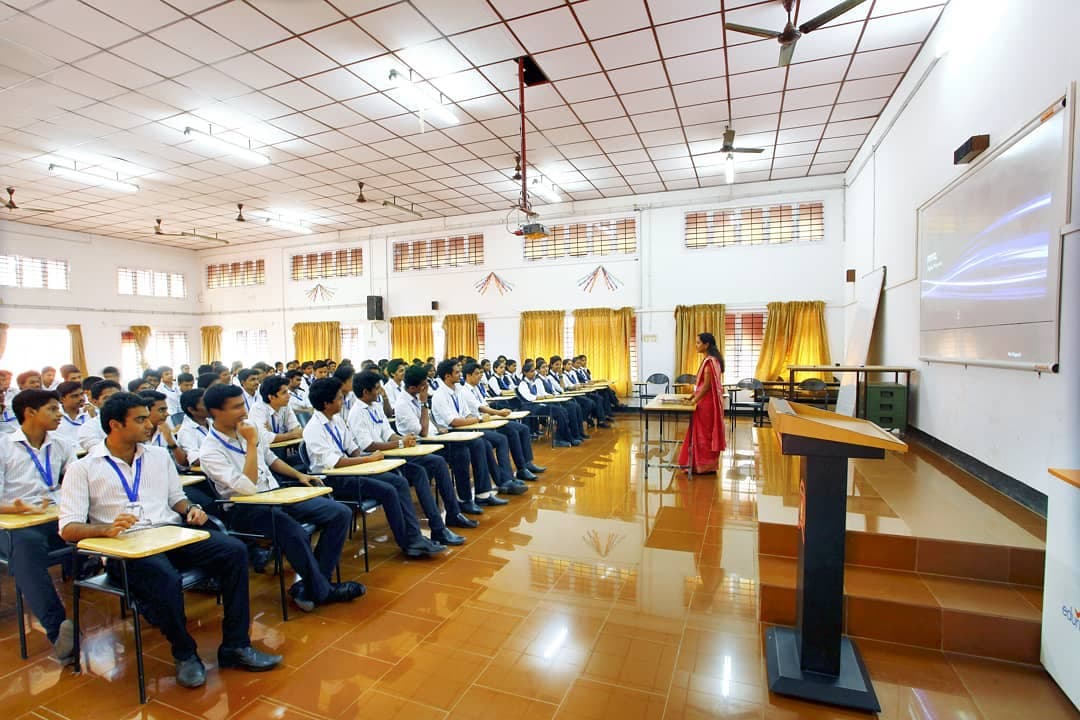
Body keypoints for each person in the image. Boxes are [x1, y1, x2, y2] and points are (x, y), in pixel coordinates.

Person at [59, 392, 282, 687]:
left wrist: (191, 509)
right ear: (115, 425)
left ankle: (236, 645)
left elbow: (176, 499)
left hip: (170, 534)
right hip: (127, 549)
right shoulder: (83, 468)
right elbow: (69, 528)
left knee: (234, 551)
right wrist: (104, 529)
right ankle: (185, 652)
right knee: (163, 577)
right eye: (140, 420)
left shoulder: (157, 456)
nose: (150, 424)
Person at [199, 383, 362, 612]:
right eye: (236, 407)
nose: (243, 412)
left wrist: (299, 474)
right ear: (216, 412)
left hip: (277, 494)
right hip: (245, 509)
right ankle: (323, 590)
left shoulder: (248, 428)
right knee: (292, 530)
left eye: (242, 405)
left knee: (339, 513)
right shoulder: (210, 450)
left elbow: (271, 459)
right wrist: (251, 444)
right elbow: (246, 488)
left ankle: (312, 586)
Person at [303, 377, 446, 557]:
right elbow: (336, 463)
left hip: (353, 471)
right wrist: (367, 460)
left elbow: (353, 449)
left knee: (399, 482)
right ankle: (408, 543)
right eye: (339, 398)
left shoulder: (337, 420)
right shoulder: (314, 428)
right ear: (326, 403)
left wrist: (368, 460)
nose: (343, 401)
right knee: (388, 490)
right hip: (334, 480)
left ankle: (414, 536)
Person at [0, 389, 77, 663]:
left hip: (54, 517)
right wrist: (17, 508)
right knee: (27, 549)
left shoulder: (62, 444)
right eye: (53, 409)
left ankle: (139, 598)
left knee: (95, 529)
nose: (60, 415)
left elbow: (78, 480)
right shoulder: (4, 446)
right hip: (14, 524)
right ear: (30, 413)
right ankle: (59, 632)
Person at [347, 370, 470, 542]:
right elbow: (368, 446)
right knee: (421, 470)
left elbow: (388, 433)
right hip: (375, 460)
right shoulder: (356, 413)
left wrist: (404, 439)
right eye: (377, 388)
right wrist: (399, 443)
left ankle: (451, 515)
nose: (381, 391)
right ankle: (436, 529)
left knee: (437, 462)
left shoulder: (375, 407)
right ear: (366, 392)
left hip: (390, 454)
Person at [395, 366, 504, 513]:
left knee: (480, 443)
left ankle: (482, 494)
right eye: (423, 385)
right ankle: (464, 500)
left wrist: (438, 426)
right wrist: (423, 403)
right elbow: (424, 432)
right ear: (413, 387)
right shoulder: (403, 404)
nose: (427, 387)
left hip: (437, 436)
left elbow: (431, 424)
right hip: (422, 445)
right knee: (462, 452)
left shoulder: (416, 397)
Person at [459, 360, 545, 482]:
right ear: (468, 375)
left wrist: (497, 414)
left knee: (522, 429)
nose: (481, 376)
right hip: (479, 423)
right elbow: (480, 407)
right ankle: (514, 472)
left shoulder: (476, 388)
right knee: (509, 434)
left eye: (481, 373)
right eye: (477, 373)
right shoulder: (464, 391)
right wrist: (499, 413)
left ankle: (526, 464)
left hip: (488, 419)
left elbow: (484, 404)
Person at [679, 332, 727, 474]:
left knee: (702, 435)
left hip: (706, 404)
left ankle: (702, 466)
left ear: (706, 345)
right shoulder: (713, 360)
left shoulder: (709, 362)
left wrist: (694, 400)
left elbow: (706, 387)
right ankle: (704, 465)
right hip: (708, 402)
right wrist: (692, 396)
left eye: (698, 343)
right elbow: (701, 386)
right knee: (704, 434)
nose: (696, 345)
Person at [516, 360, 577, 447]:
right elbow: (529, 397)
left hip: (539, 404)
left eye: (534, 371)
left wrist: (545, 396)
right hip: (531, 407)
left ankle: (567, 437)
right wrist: (543, 397)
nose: (534, 373)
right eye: (531, 371)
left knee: (562, 410)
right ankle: (558, 439)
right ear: (525, 373)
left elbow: (541, 394)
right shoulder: (523, 384)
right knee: (559, 412)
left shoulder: (533, 382)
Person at [248, 376, 302, 443]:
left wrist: (274, 436)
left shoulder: (285, 405)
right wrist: (290, 435)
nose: (288, 396)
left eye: (287, 392)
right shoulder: (258, 409)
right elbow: (264, 438)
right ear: (271, 397)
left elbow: (297, 430)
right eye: (284, 393)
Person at [77, 380, 122, 451]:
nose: (114, 401)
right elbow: (99, 452)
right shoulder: (88, 428)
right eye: (106, 398)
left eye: (117, 397)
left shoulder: (134, 420)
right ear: (95, 402)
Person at [53, 380, 88, 446]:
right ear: (61, 399)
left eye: (82, 394)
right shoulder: (54, 417)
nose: (81, 398)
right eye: (75, 396)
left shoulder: (91, 412)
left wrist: (94, 416)